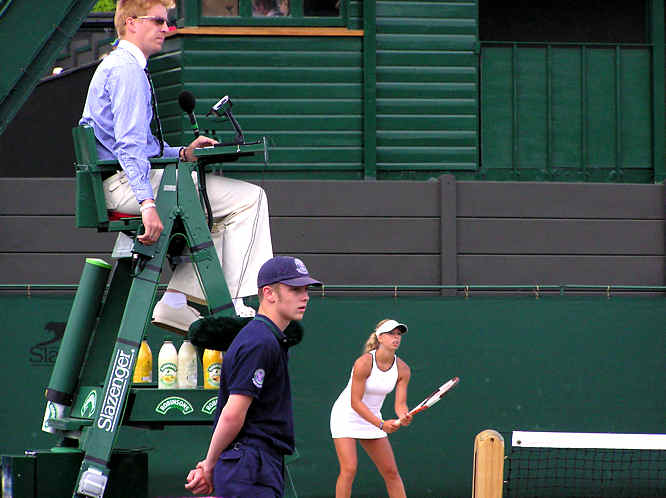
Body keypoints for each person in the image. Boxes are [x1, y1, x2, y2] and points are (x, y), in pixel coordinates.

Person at [79, 0, 273, 333]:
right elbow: (128, 146)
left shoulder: (122, 66)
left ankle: (176, 302)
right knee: (249, 199)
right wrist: (147, 203)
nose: (166, 29)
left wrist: (181, 153)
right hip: (126, 185)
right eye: (158, 21)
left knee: (217, 212)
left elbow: (140, 144)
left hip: (121, 180)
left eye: (166, 21)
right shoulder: (126, 70)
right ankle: (235, 304)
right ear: (131, 23)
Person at [185, 256, 321, 497]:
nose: (305, 296)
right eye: (295, 289)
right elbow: (232, 413)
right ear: (269, 293)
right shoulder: (259, 341)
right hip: (249, 465)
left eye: (306, 289)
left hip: (256, 464)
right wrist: (209, 464)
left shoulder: (265, 338)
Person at [330, 319, 412, 498]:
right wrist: (381, 424)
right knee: (349, 469)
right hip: (345, 416)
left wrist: (403, 415)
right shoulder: (364, 363)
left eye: (398, 334)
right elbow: (355, 402)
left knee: (391, 472)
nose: (396, 338)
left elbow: (400, 404)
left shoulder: (403, 369)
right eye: (391, 334)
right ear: (380, 338)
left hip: (373, 418)